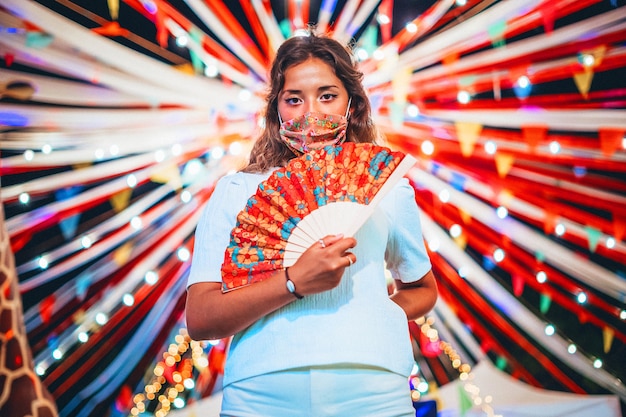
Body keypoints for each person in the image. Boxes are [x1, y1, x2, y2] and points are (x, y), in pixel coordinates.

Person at [185, 30, 438, 417]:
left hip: (373, 390)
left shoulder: (387, 187)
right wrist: (293, 283)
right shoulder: (236, 190)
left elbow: (422, 289)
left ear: (351, 105)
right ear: (276, 111)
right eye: (294, 99)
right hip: (261, 393)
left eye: (327, 95)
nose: (310, 113)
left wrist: (371, 313)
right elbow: (201, 318)